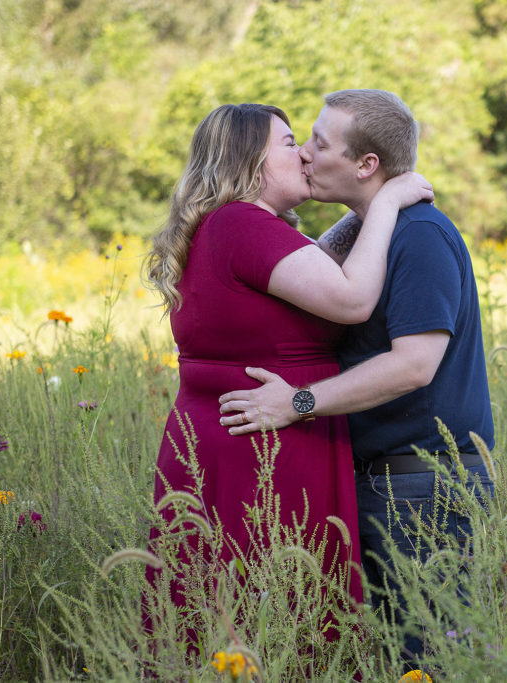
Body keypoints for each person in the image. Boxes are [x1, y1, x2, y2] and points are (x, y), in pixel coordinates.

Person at [217, 89, 495, 660]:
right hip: (377, 484)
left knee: (425, 663)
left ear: (367, 164)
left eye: (320, 144)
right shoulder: (378, 233)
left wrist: (297, 402)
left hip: (422, 489)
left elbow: (414, 365)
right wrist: (374, 206)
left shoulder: (421, 236)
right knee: (383, 661)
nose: (305, 156)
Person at [141, 102, 433, 643]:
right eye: (288, 142)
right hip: (266, 447)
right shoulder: (242, 224)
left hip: (239, 436)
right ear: (248, 162)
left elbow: (318, 266)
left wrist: (362, 207)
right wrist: (389, 197)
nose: (302, 153)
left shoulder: (232, 227)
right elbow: (350, 300)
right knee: (275, 614)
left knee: (236, 613)